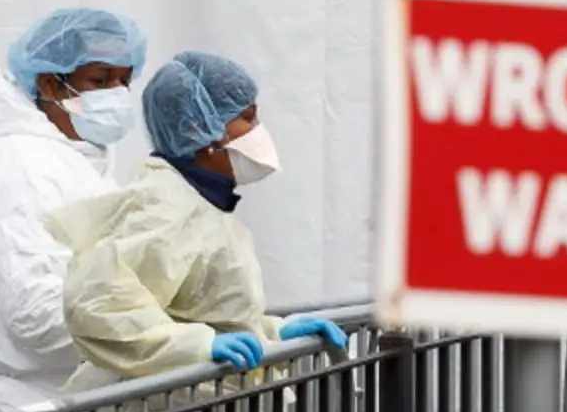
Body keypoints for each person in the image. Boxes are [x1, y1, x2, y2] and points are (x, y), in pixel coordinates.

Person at [45, 50, 347, 390]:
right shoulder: (165, 207)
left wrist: (271, 333)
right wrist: (198, 348)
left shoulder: (202, 206)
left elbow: (193, 310)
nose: (258, 130)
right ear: (203, 131)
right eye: (247, 119)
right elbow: (98, 304)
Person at [0, 7, 147, 412]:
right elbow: (36, 315)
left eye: (124, 80)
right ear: (51, 83)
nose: (116, 93)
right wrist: (158, 328)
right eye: (100, 79)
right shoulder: (19, 163)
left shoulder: (77, 162)